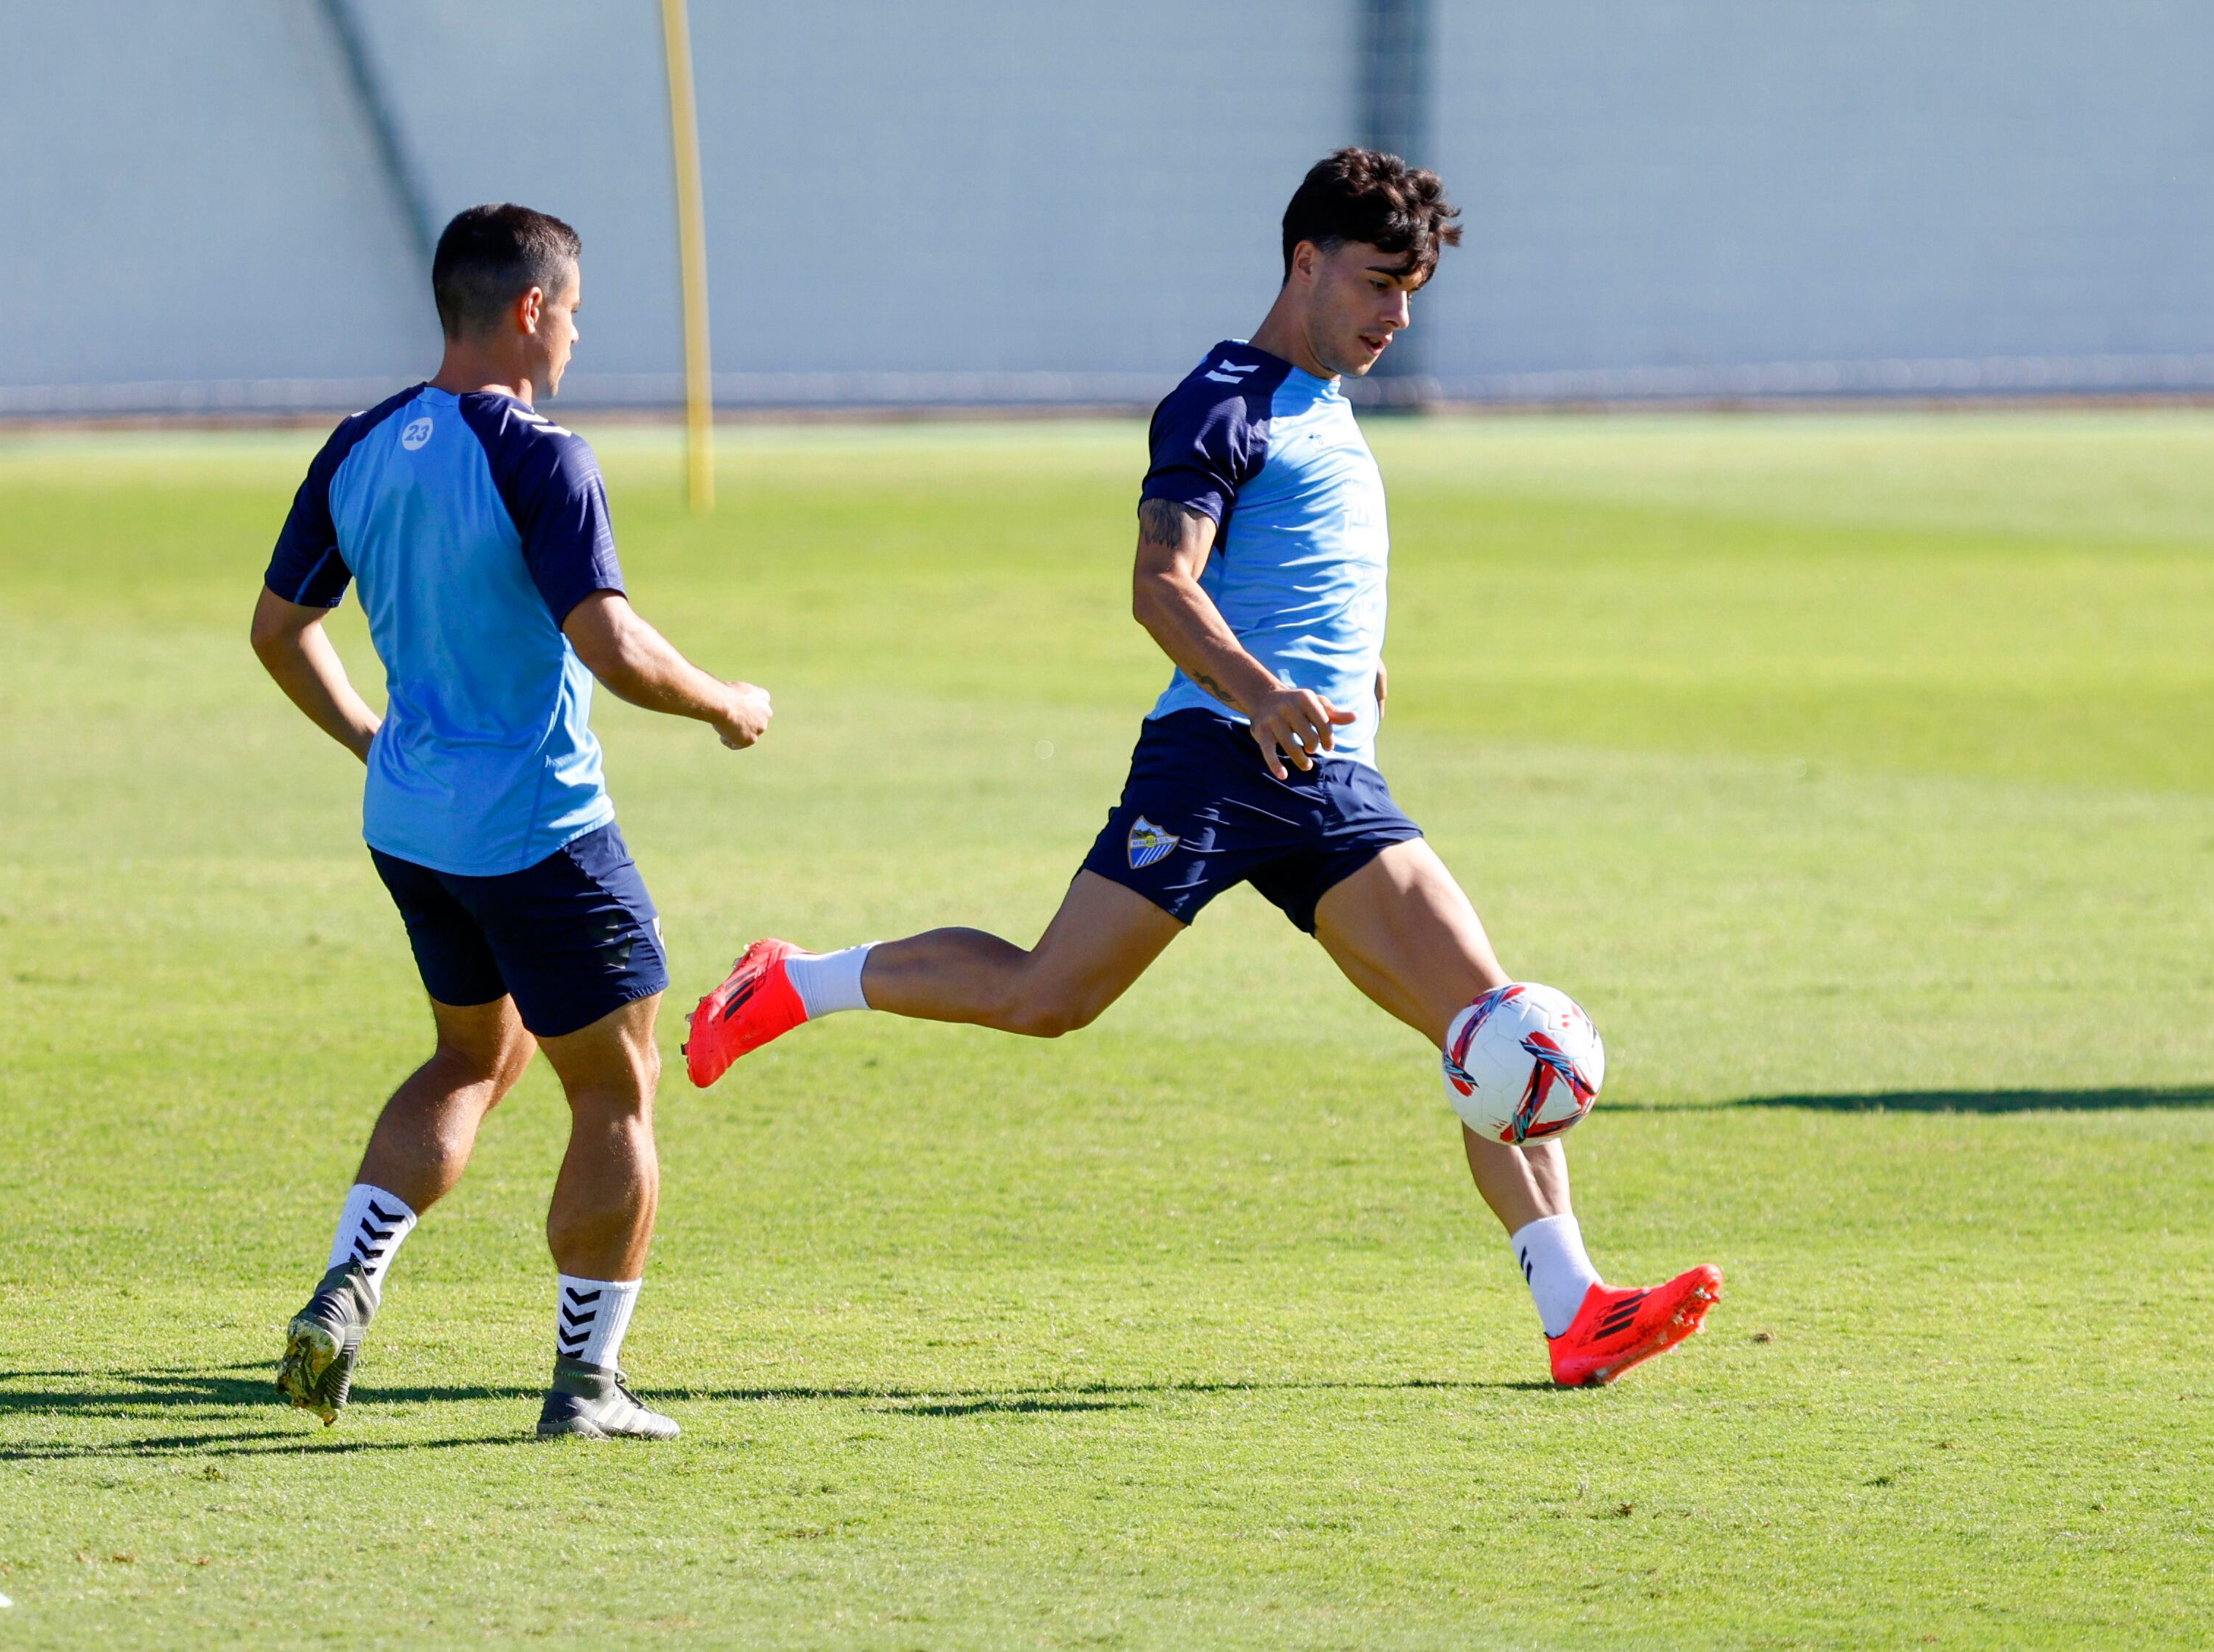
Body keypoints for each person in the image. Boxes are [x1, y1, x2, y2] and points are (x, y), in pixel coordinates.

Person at [684, 151, 1717, 1387]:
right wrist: (1261, 690)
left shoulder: (1326, 401)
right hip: (1215, 761)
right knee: (1047, 997)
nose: (1396, 316)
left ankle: (1574, 1309)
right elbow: (1159, 587)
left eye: (1412, 292)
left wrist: (1351, 672)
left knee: (1493, 1029)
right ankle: (795, 982)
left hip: (1329, 778)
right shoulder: (1221, 401)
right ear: (1305, 262)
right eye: (1378, 284)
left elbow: (1297, 579)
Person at [252, 204, 772, 1438]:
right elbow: (612, 645)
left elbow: (279, 631)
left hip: (412, 827)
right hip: (541, 832)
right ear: (531, 309)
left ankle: (348, 1285)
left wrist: (374, 740)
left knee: (471, 1059)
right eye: (575, 312)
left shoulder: (359, 445)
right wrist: (725, 703)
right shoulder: (544, 456)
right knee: (615, 1092)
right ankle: (586, 1388)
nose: (579, 336)